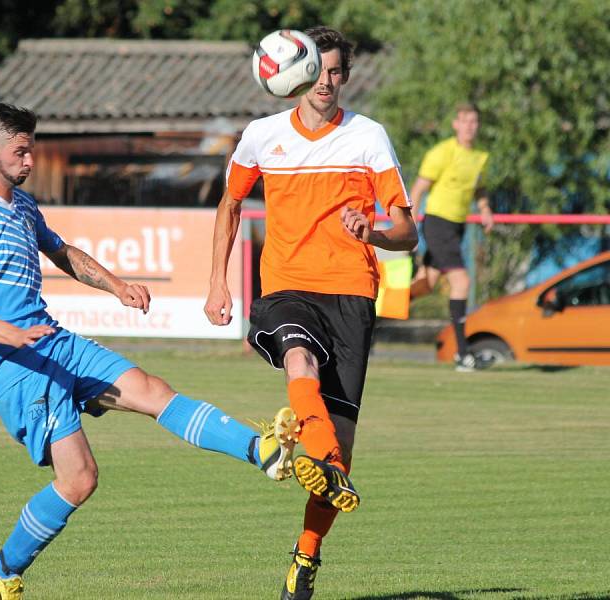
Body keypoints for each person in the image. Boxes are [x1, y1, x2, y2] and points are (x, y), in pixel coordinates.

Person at [0, 102, 300, 600]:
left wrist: (116, 285)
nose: (30, 161)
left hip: (52, 342)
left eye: (32, 151)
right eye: (21, 152)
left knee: (152, 390)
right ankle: (1, 569)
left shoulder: (21, 206)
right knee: (81, 479)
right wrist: (12, 334)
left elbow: (61, 251)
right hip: (16, 366)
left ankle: (261, 451)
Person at [204, 26, 417, 600]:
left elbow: (408, 231)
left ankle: (306, 554)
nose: (326, 81)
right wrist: (217, 283)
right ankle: (319, 455)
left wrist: (373, 229)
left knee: (341, 449)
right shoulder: (260, 137)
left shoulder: (369, 137)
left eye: (336, 72)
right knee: (297, 357)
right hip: (286, 289)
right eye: (317, 70)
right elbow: (230, 203)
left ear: (345, 76)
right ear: (295, 73)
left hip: (351, 294)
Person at [409, 102, 494, 372]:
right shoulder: (442, 153)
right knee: (462, 280)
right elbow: (419, 190)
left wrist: (485, 209)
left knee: (425, 284)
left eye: (474, 121)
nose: (470, 126)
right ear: (455, 124)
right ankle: (463, 355)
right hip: (437, 224)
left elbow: (479, 188)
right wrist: (408, 224)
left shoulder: (480, 157)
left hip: (457, 227)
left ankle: (373, 310)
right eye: (465, 121)